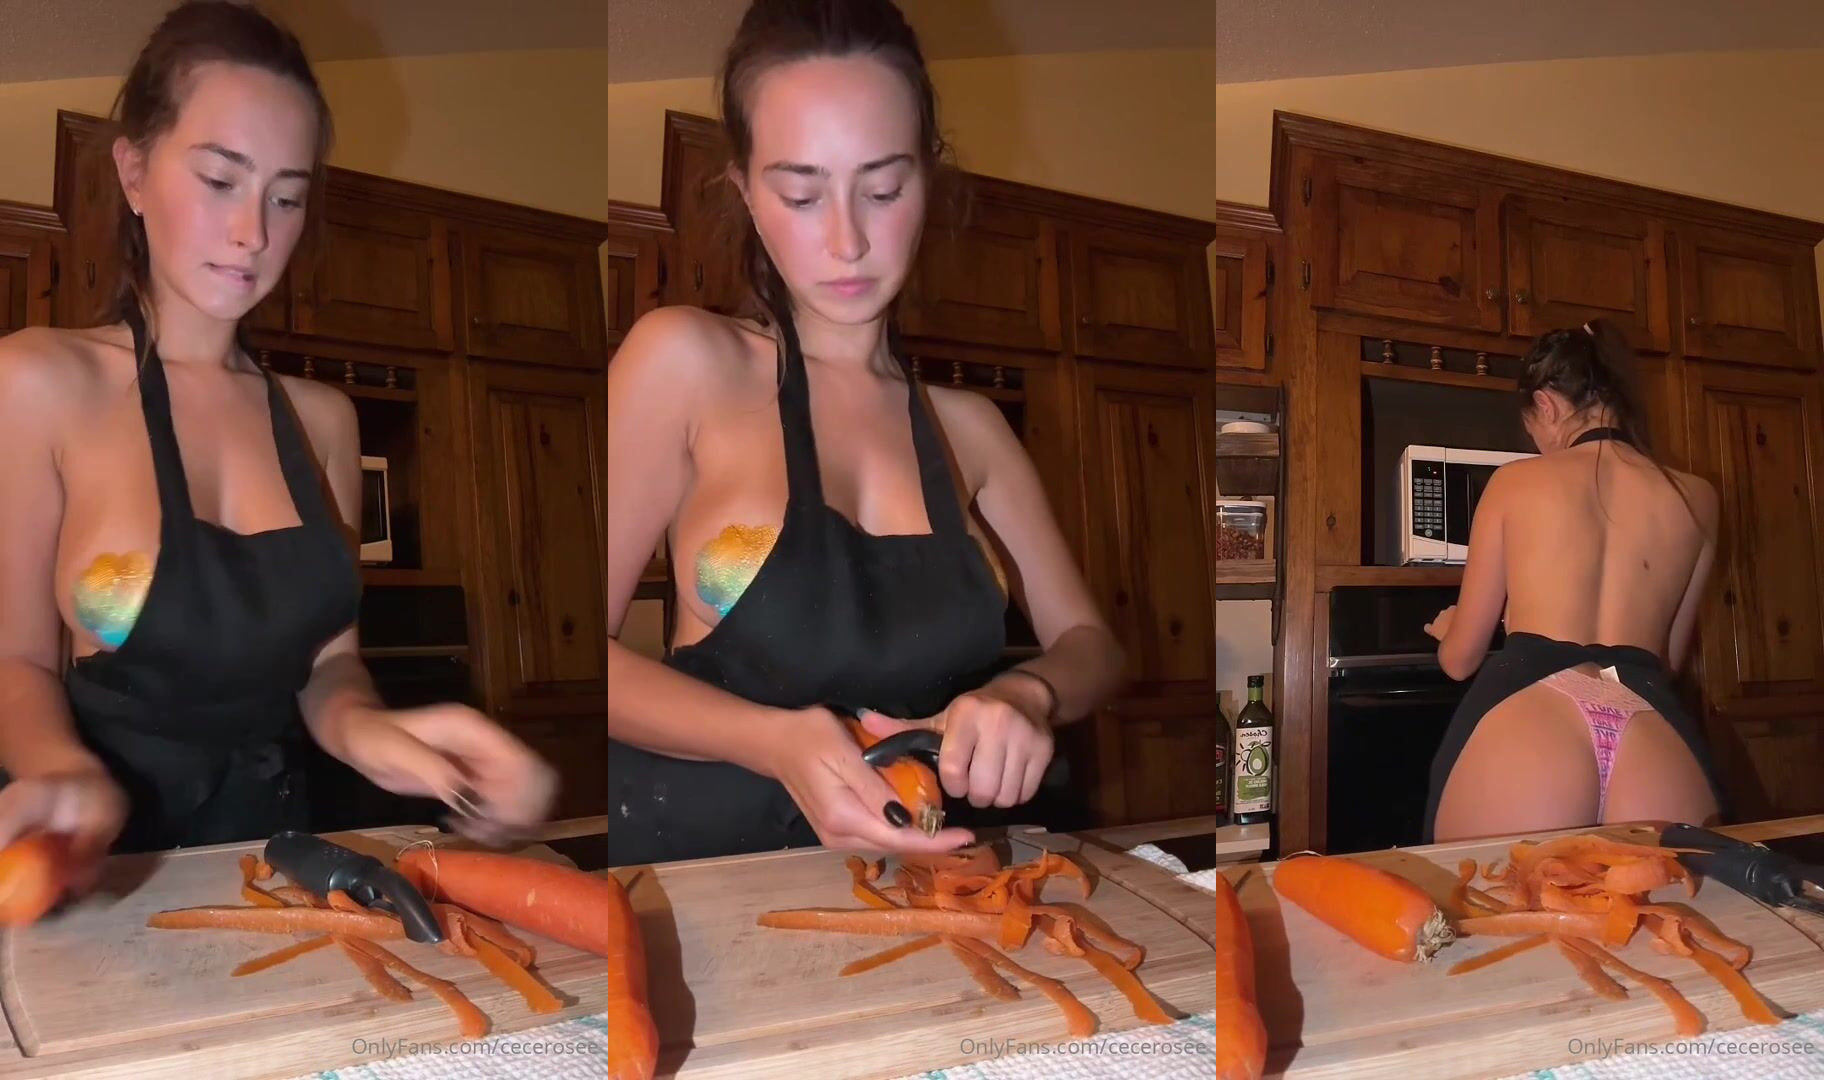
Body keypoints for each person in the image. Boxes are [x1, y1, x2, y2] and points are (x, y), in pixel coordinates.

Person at [0, 1, 556, 872]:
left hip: (273, 858)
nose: (253, 232)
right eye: (220, 180)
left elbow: (328, 665)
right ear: (134, 172)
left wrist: (371, 729)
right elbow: (17, 660)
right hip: (92, 868)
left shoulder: (323, 419)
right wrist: (61, 769)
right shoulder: (38, 382)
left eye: (286, 197)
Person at [604, 0, 1126, 865]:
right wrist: (771, 742)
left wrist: (1027, 694)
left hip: (929, 874)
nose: (846, 241)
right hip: (706, 876)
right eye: (801, 194)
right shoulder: (685, 362)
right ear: (746, 193)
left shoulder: (972, 430)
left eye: (882, 190)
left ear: (929, 180)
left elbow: (1092, 646)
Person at [1422, 318, 1730, 843]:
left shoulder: (1514, 481)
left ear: (1546, 405)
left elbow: (1460, 661)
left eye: (1532, 429)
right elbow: (1667, 661)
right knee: (1672, 899)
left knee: (1493, 896)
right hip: (1648, 726)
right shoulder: (1698, 497)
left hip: (1531, 714)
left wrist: (1449, 630)